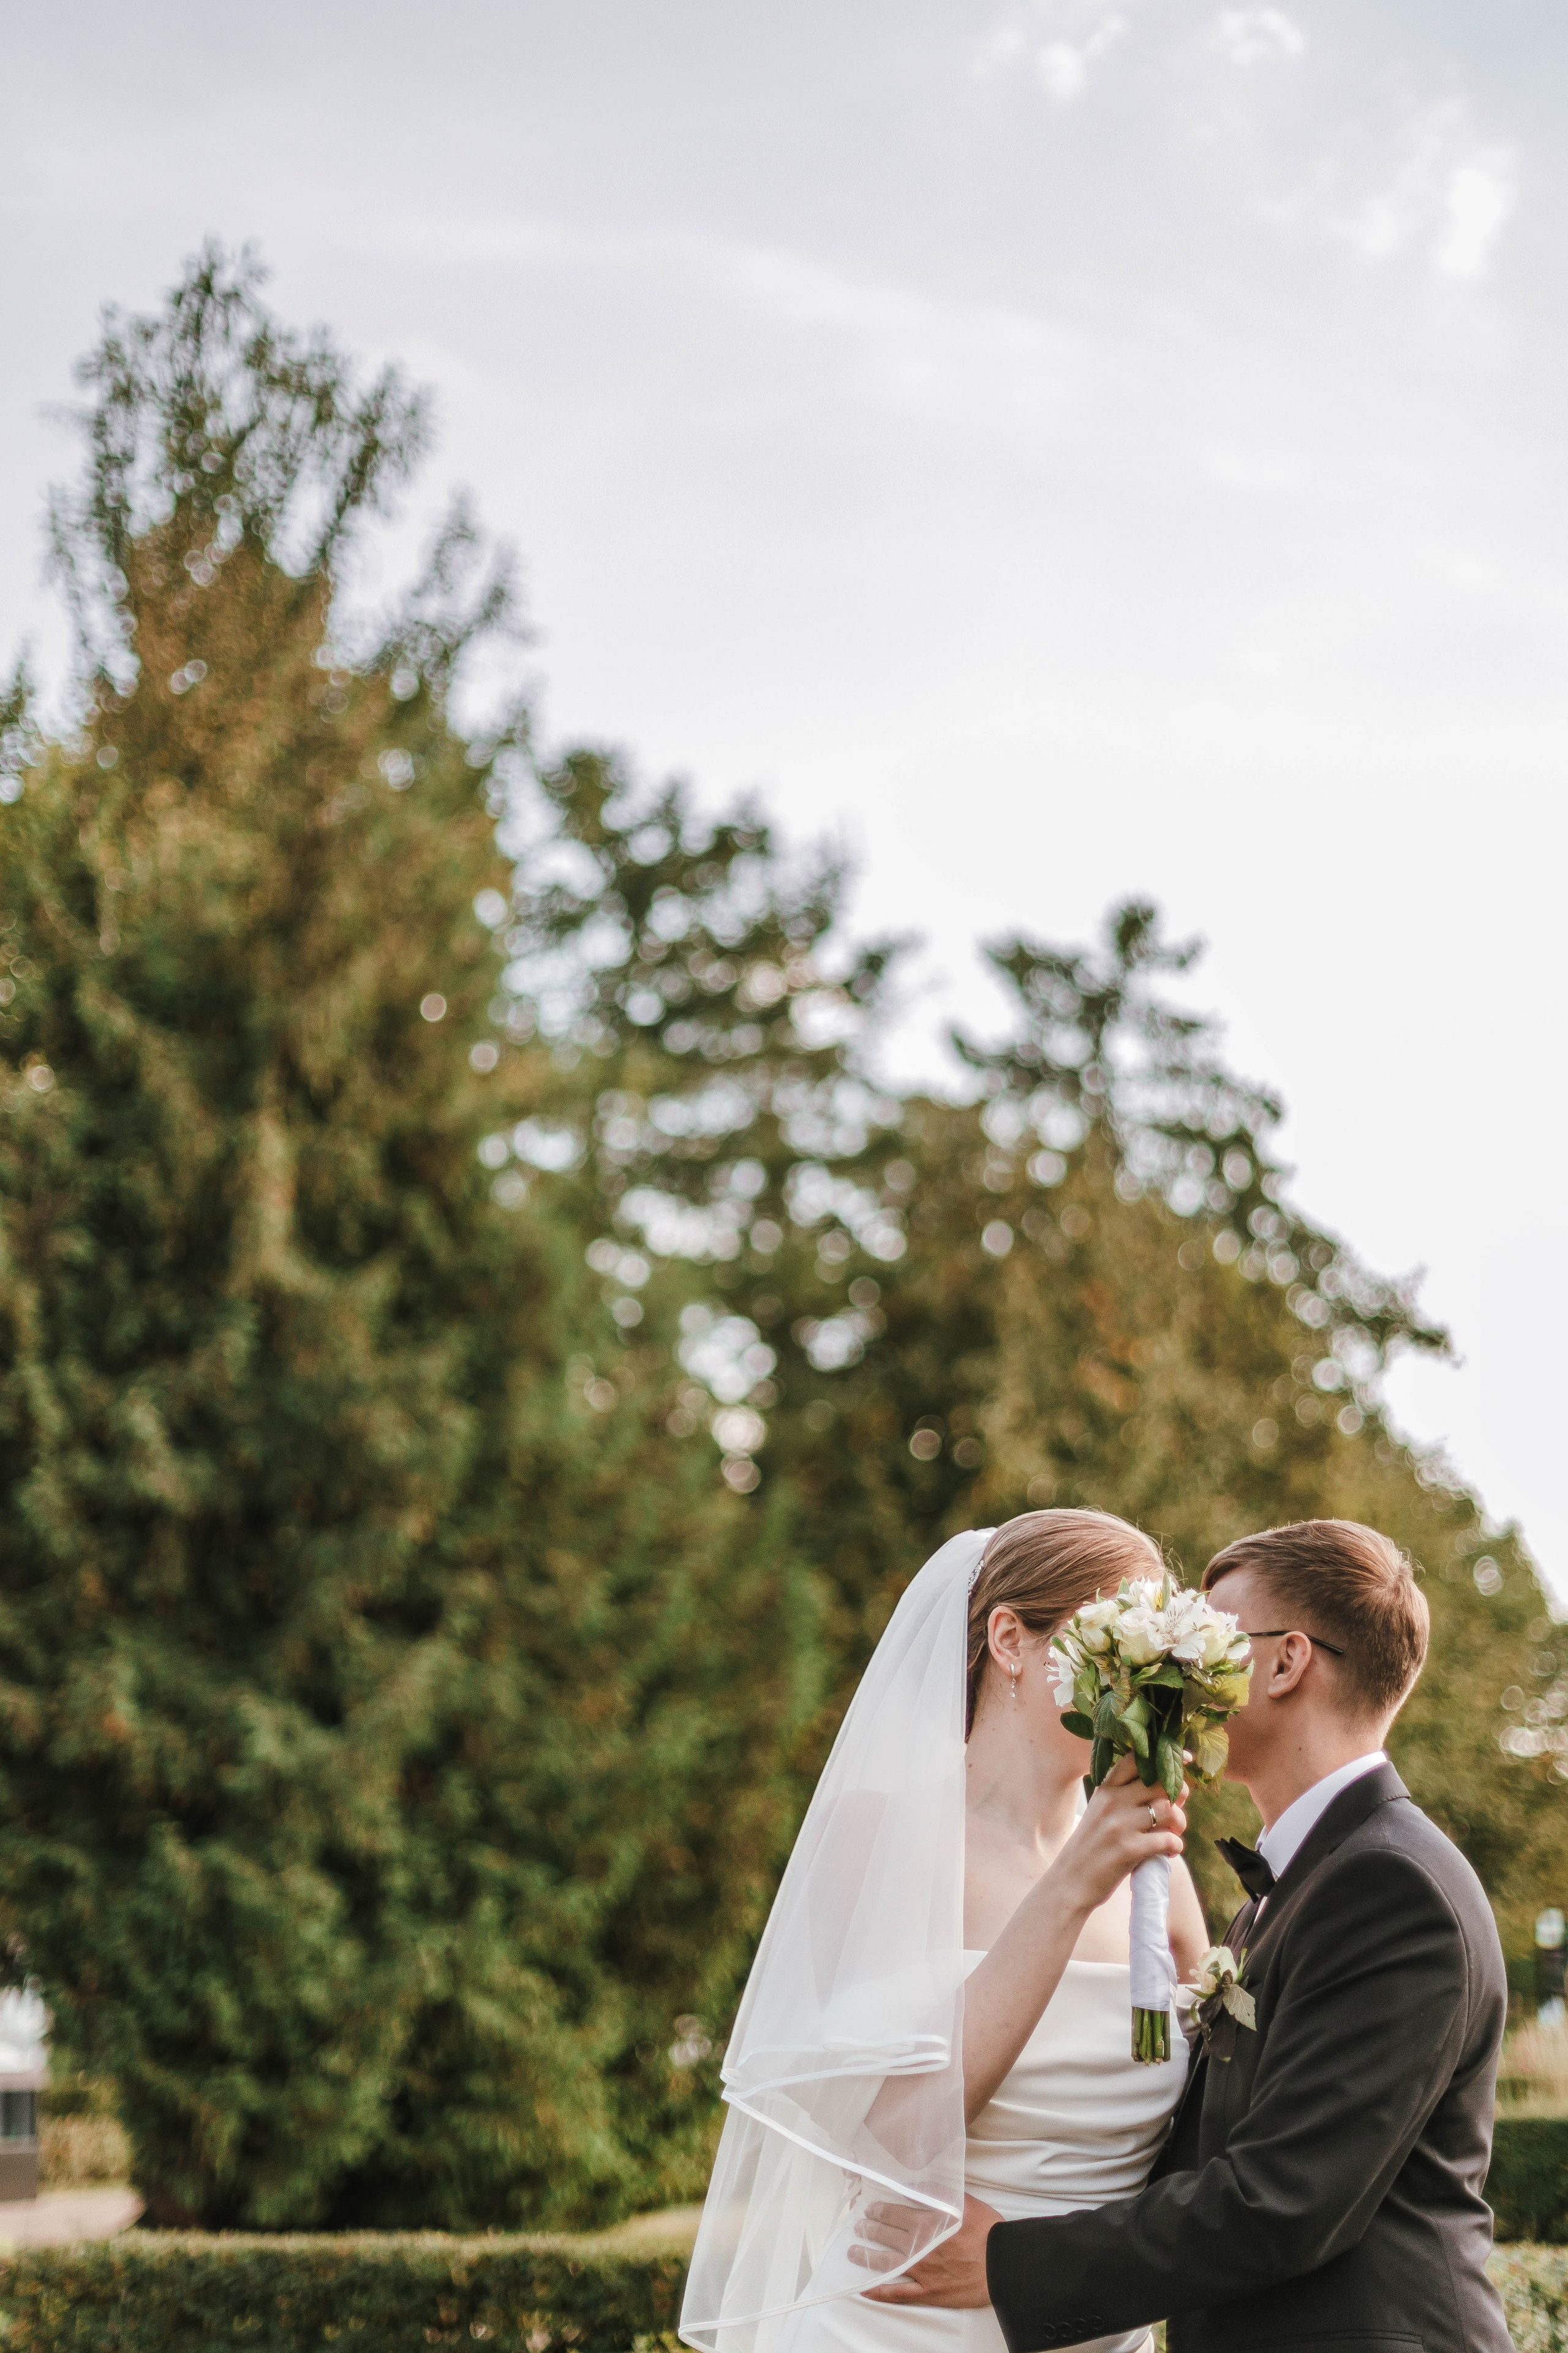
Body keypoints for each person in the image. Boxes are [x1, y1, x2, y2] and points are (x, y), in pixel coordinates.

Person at [864, 1518, 1512, 2353]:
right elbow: (1200, 2150)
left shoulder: (1390, 1886)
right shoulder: (1297, 1882)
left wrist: (1005, 2261)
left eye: (1208, 1642)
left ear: (1287, 1661)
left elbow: (1281, 2201)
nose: (1168, 1678)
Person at [680, 1510, 1207, 2353]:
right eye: (1117, 1646)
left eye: (1162, 1660)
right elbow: (892, 2139)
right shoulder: (878, 1840)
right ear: (1011, 1638)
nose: (1144, 1685)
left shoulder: (1161, 1877)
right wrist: (1071, 1884)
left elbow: (1207, 2169)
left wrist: (1030, 2263)